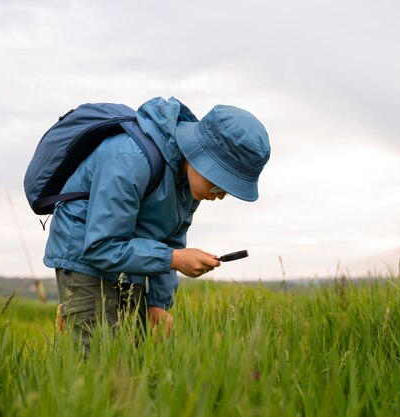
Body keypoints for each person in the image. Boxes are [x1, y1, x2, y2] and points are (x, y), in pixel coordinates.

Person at [44, 96, 270, 350]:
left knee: (133, 355)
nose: (219, 195)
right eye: (219, 182)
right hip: (84, 260)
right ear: (200, 155)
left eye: (228, 190)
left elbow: (170, 239)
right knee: (95, 360)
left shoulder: (188, 182)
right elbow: (100, 245)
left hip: (131, 262)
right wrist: (174, 259)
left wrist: (158, 305)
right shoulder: (130, 158)